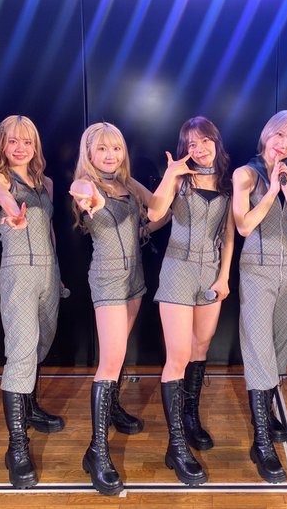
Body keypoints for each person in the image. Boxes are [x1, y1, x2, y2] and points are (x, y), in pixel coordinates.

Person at [70, 122, 168, 495]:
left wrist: (173, 175)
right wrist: (92, 202)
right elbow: (82, 194)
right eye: (102, 149)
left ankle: (112, 410)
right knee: (109, 363)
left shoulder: (127, 183)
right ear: (89, 153)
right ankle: (96, 452)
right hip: (108, 280)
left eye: (116, 148)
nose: (110, 155)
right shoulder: (86, 184)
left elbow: (157, 208)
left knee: (119, 354)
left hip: (134, 278)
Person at [146, 117, 235, 485]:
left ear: (216, 141)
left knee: (200, 348)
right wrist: (171, 174)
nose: (199, 149)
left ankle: (190, 417)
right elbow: (154, 212)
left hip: (211, 272)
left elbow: (229, 233)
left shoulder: (229, 182)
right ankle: (177, 445)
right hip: (177, 270)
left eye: (205, 141)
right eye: (192, 144)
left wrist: (224, 276)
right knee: (178, 356)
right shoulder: (179, 178)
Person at [0, 115, 63, 488]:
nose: (20, 148)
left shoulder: (46, 183)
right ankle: (17, 446)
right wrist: (12, 210)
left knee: (41, 343)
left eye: (27, 141)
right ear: (2, 144)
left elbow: (49, 230)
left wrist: (57, 271)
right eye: (13, 141)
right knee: (21, 351)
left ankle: (30, 409)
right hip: (18, 272)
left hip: (48, 272)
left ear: (35, 146)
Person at [232, 110, 287, 483]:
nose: (284, 144)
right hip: (256, 271)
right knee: (258, 350)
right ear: (267, 134)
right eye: (280, 135)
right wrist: (272, 192)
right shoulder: (245, 175)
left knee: (279, 348)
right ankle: (262, 442)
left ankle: (264, 414)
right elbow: (244, 225)